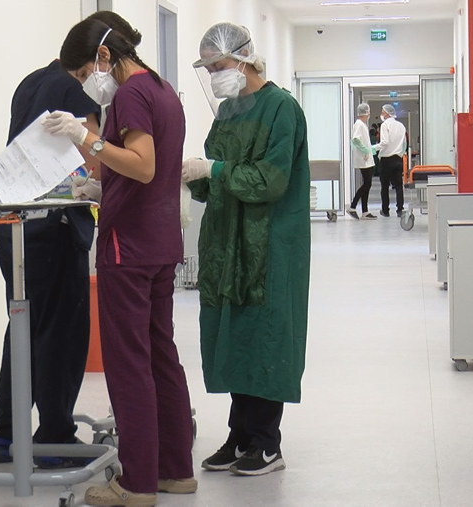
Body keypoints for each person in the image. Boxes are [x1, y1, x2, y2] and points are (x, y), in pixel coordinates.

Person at [46, 15, 195, 506]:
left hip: (127, 249)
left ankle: (136, 482)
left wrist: (85, 136)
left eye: (85, 73)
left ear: (104, 56)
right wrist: (97, 181)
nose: (88, 84)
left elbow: (144, 165)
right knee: (160, 356)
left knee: (129, 364)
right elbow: (139, 167)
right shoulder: (163, 91)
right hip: (160, 244)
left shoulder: (130, 95)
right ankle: (175, 470)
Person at [182, 22, 311, 477]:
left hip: (269, 242)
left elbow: (270, 180)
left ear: (243, 59)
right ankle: (239, 436)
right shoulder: (227, 112)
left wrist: (215, 170)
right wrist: (191, 175)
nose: (214, 75)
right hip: (226, 242)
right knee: (233, 335)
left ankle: (266, 442)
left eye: (218, 65)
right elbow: (214, 175)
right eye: (208, 69)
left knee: (265, 337)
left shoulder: (282, 109)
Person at [0, 40, 102, 468]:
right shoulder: (75, 91)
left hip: (11, 223)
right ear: (97, 61)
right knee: (60, 331)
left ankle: (7, 434)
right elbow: (94, 156)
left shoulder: (31, 82)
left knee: (22, 326)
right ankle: (55, 438)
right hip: (51, 228)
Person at [372, 104, 407, 217]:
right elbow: (404, 144)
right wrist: (400, 154)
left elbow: (384, 143)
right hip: (397, 159)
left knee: (385, 186)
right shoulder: (401, 126)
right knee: (398, 186)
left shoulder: (385, 125)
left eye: (382, 112)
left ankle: (385, 210)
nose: (381, 114)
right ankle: (400, 209)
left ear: (387, 114)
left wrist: (373, 148)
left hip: (386, 160)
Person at [347, 103, 377, 220]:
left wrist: (370, 149)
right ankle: (353, 206)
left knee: (367, 184)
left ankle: (365, 211)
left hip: (366, 158)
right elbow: (355, 139)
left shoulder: (361, 124)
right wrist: (365, 151)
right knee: (367, 184)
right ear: (366, 112)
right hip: (363, 159)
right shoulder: (359, 124)